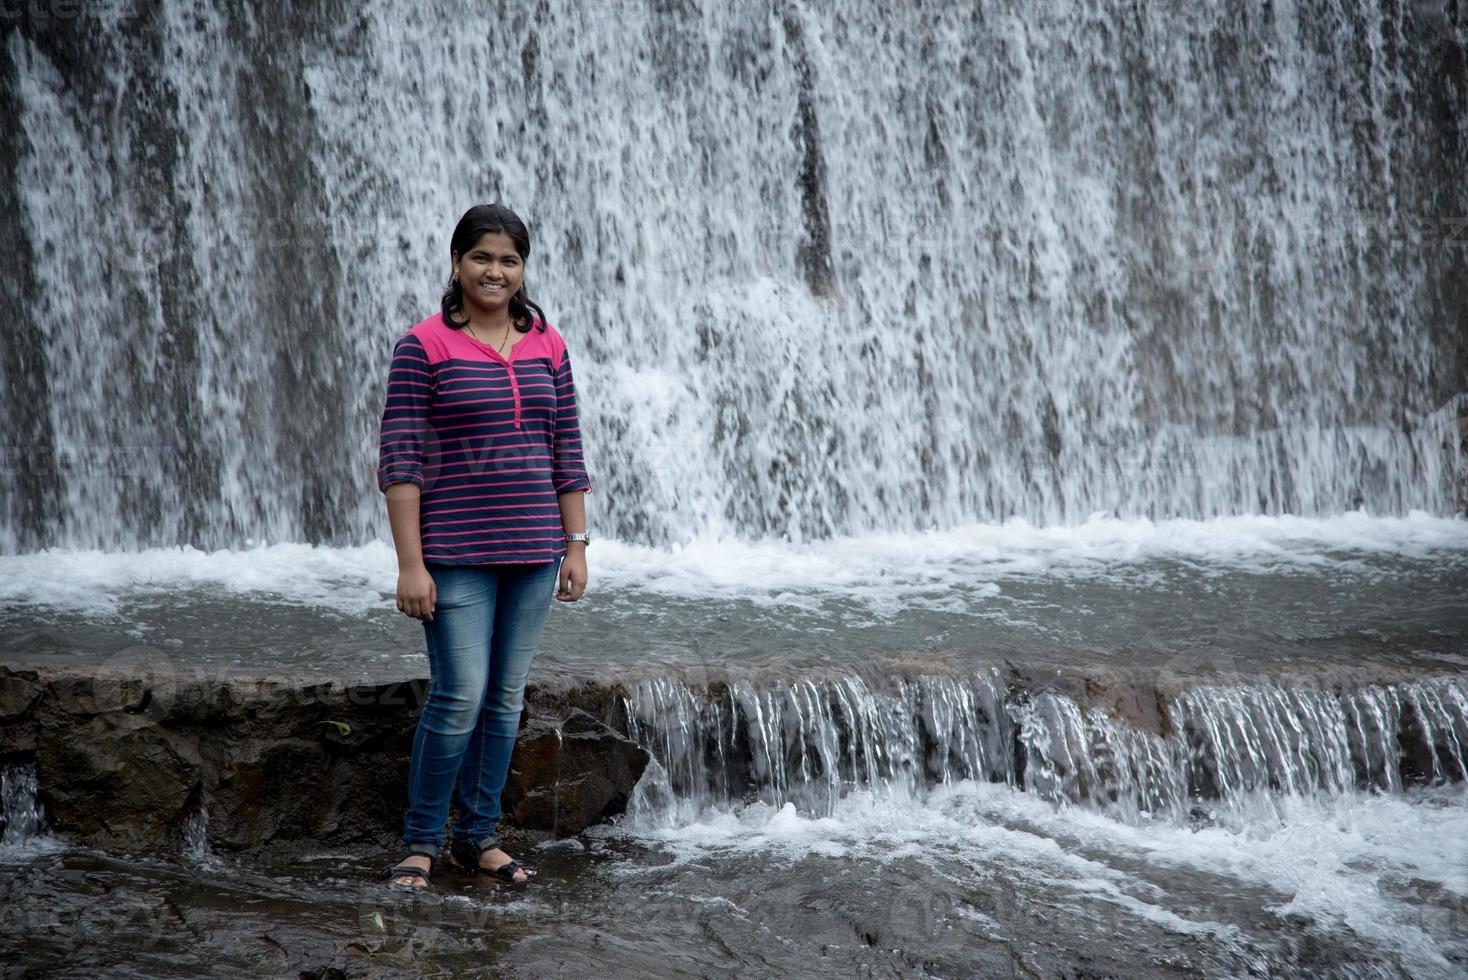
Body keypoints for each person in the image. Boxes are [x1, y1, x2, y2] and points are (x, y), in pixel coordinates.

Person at [376, 203, 592, 890]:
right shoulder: (424, 346)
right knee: (460, 696)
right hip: (457, 553)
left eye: (508, 260)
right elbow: (401, 461)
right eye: (482, 258)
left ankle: (475, 838)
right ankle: (420, 840)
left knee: (504, 700)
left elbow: (567, 449)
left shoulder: (546, 343)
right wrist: (411, 564)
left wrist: (576, 544)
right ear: (457, 263)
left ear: (522, 269)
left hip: (534, 553)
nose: (495, 271)